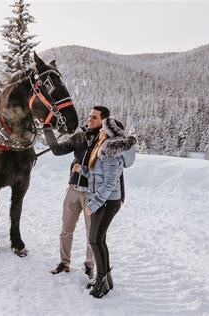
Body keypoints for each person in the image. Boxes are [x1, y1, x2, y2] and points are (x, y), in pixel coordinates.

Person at [73, 117, 136, 298]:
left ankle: (101, 283)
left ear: (109, 131)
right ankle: (106, 279)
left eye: (103, 128)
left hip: (106, 202)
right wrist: (82, 170)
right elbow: (97, 175)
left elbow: (108, 184)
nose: (100, 129)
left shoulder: (110, 151)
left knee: (94, 241)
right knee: (99, 240)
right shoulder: (104, 149)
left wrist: (92, 205)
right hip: (106, 201)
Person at [45, 106, 111, 278]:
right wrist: (47, 129)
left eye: (94, 117)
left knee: (92, 234)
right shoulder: (80, 135)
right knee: (66, 230)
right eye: (90, 116)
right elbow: (57, 150)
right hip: (73, 190)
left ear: (103, 120)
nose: (90, 119)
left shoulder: (106, 139)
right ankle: (64, 263)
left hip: (92, 194)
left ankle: (90, 265)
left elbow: (113, 169)